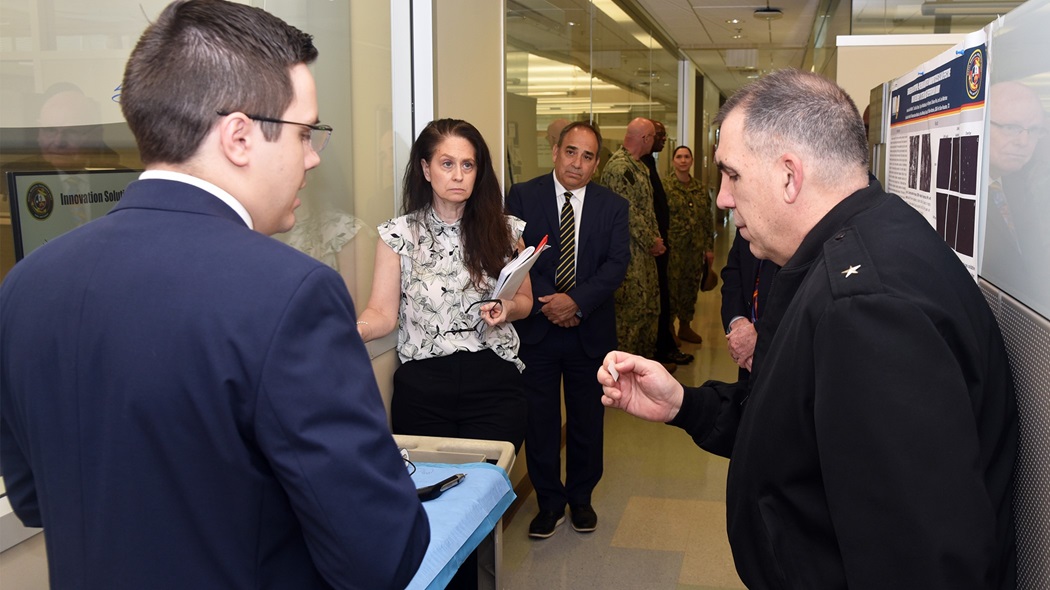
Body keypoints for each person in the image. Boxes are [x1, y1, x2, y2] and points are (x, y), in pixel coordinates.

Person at [0, 2, 430, 589]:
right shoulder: (290, 294)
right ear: (239, 136)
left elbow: (32, 500)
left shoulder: (27, 284)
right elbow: (380, 552)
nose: (312, 157)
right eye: (307, 133)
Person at [599, 69, 1017, 589]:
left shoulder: (866, 311)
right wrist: (685, 405)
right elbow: (796, 427)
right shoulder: (853, 246)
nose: (724, 199)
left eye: (732, 175)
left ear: (789, 176)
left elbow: (920, 562)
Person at [357, 118, 532, 452]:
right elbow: (381, 311)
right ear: (426, 169)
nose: (458, 175)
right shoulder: (398, 235)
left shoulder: (507, 231)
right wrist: (355, 331)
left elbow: (525, 300)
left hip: (493, 380)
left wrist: (508, 308)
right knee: (431, 490)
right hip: (423, 386)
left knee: (487, 487)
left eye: (468, 165)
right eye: (447, 164)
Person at [506, 122, 630, 539]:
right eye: (571, 152)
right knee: (540, 421)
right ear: (556, 151)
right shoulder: (523, 196)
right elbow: (514, 256)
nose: (578, 163)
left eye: (588, 156)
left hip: (589, 330)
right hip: (537, 329)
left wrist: (576, 301)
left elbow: (616, 265)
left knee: (586, 419)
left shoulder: (613, 206)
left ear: (597, 163)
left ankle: (580, 498)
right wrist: (551, 302)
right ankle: (549, 502)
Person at [600, 117, 663, 362]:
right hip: (628, 257)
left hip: (644, 257)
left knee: (648, 313)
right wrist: (651, 241)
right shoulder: (619, 168)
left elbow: (648, 209)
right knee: (630, 319)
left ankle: (643, 370)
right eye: (653, 138)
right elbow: (629, 213)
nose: (654, 142)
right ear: (645, 138)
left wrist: (655, 240)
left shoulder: (639, 167)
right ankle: (622, 374)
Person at [983, 80, 1047, 301]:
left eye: (1034, 130)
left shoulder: (1024, 185)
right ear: (980, 124)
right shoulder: (956, 194)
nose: (1024, 141)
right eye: (1011, 128)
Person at [641, 120, 693, 366]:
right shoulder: (635, 166)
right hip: (650, 248)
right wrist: (653, 239)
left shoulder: (648, 163)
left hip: (665, 246)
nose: (663, 138)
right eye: (659, 135)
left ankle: (669, 341)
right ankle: (661, 348)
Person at [664, 144, 715, 344]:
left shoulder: (700, 189)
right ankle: (670, 328)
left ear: (692, 161)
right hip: (674, 248)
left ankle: (685, 326)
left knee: (690, 288)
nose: (683, 160)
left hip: (695, 249)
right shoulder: (666, 186)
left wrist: (709, 248)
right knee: (672, 288)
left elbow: (707, 220)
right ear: (673, 161)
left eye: (686, 157)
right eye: (679, 157)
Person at [719, 232, 778, 381]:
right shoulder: (747, 221)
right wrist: (738, 324)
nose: (723, 206)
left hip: (786, 355)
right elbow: (733, 272)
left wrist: (759, 331)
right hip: (748, 361)